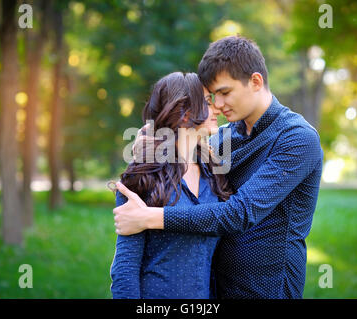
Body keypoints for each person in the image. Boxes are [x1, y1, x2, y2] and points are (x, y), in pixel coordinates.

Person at [113, 36, 324, 299]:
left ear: (256, 82)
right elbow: (182, 140)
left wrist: (151, 218)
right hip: (215, 290)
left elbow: (239, 213)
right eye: (212, 96)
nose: (219, 105)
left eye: (225, 93)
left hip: (267, 291)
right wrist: (152, 145)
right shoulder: (222, 138)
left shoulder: (297, 138)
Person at [110, 72, 233, 299]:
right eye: (207, 102)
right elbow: (125, 270)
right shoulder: (144, 176)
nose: (217, 108)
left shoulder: (215, 174)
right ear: (184, 113)